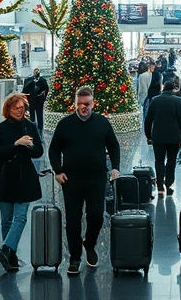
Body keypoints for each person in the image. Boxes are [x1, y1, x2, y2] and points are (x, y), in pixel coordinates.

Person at [48, 86, 122, 276]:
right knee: (72, 219)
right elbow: (54, 149)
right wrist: (57, 171)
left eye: (87, 104)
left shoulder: (102, 123)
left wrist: (115, 167)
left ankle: (89, 244)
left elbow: (113, 145)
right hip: (71, 179)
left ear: (93, 103)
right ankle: (75, 257)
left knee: (96, 215)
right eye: (80, 104)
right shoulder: (65, 124)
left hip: (96, 177)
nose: (83, 107)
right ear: (75, 103)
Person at [0, 93, 43, 272]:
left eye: (22, 108)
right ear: (8, 109)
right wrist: (16, 144)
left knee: (19, 218)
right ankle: (10, 256)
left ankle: (5, 249)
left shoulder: (30, 126)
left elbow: (39, 151)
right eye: (16, 108)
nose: (19, 111)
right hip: (5, 178)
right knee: (6, 219)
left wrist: (28, 146)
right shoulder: (0, 128)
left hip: (25, 178)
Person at [145, 80, 181, 196]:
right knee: (171, 160)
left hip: (158, 136)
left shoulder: (155, 100)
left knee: (159, 161)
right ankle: (169, 184)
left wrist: (148, 135)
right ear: (173, 89)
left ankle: (159, 187)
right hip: (174, 136)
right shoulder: (178, 101)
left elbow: (148, 119)